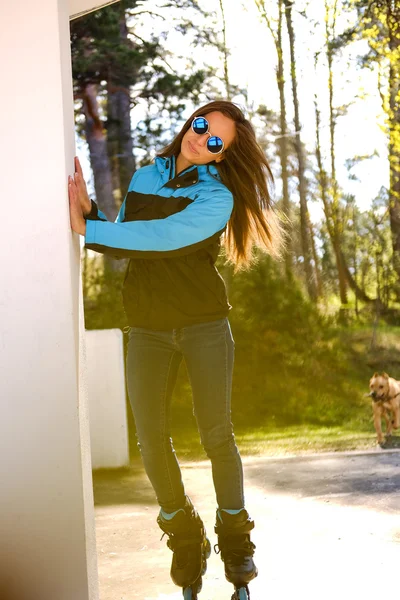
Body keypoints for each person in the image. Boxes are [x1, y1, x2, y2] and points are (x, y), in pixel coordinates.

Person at [68, 100, 283, 596]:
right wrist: (93, 216)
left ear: (220, 156)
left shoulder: (218, 198)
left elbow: (164, 238)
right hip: (147, 326)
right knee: (150, 436)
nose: (201, 137)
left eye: (215, 141)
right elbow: (130, 240)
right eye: (202, 125)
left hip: (204, 325)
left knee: (216, 435)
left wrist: (93, 230)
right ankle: (185, 535)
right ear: (192, 120)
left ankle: (234, 537)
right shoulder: (146, 176)